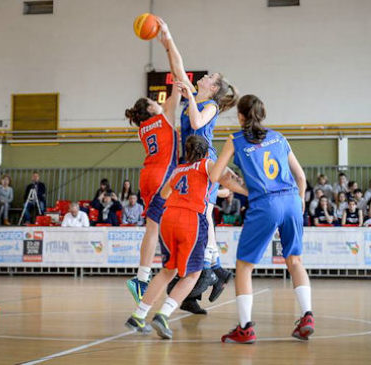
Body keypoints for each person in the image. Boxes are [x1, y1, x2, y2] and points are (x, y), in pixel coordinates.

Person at [211, 95, 314, 343]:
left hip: (264, 202)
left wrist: (238, 184)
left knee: (244, 266)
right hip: (290, 199)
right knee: (295, 261)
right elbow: (301, 177)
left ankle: (245, 327)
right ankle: (307, 315)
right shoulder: (279, 137)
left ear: (241, 116)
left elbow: (215, 175)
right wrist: (299, 201)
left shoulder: (235, 139)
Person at [125, 135, 245, 339]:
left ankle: (138, 315)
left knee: (167, 271)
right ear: (206, 152)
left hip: (168, 217)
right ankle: (163, 315)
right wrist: (251, 189)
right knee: (192, 274)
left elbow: (163, 194)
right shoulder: (207, 164)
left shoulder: (179, 169)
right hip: (191, 219)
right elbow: (228, 179)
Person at [158, 19, 238, 300]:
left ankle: (209, 269)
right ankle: (215, 269)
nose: (202, 77)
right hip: (189, 160)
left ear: (214, 88)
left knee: (202, 213)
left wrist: (189, 97)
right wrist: (168, 41)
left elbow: (195, 119)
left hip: (204, 160)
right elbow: (178, 67)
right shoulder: (194, 95)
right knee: (200, 213)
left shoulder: (211, 104)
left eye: (209, 77)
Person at [124, 85, 180, 304]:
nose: (159, 102)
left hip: (147, 175)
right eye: (153, 101)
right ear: (150, 107)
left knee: (155, 227)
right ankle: (149, 276)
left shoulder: (142, 129)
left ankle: (147, 276)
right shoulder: (165, 117)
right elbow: (176, 91)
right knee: (158, 227)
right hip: (162, 176)